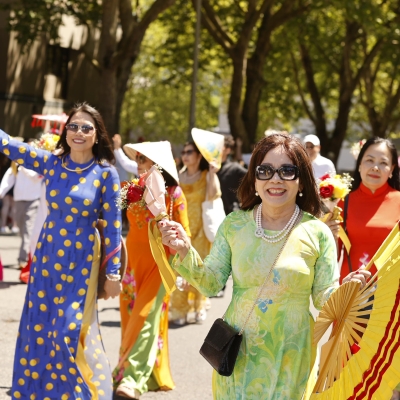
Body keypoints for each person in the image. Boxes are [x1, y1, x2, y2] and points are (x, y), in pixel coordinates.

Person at [158, 132, 369, 399]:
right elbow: (211, 284)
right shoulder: (234, 225)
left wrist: (347, 290)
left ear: (301, 181)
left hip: (291, 357)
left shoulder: (317, 232)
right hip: (237, 354)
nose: (275, 179)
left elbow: (323, 298)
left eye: (287, 171)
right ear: (255, 180)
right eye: (265, 170)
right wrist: (184, 250)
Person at [0, 102, 122, 399]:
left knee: (66, 329)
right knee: (39, 326)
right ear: (65, 131)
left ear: (97, 134)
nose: (78, 132)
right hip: (47, 255)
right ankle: (38, 391)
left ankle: (76, 393)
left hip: (82, 260)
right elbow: (10, 146)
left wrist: (113, 273)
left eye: (86, 128)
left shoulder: (106, 173)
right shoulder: (52, 163)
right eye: (73, 126)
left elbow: (114, 226)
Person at [113, 140, 190, 399]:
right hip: (132, 267)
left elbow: (185, 234)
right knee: (131, 319)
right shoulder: (130, 189)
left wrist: (185, 269)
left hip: (160, 267)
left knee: (145, 318)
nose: (138, 164)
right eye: (137, 159)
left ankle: (132, 379)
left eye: (142, 159)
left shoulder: (174, 193)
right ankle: (140, 373)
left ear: (158, 164)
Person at [168, 141, 221, 325]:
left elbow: (214, 194)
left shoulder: (206, 175)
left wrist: (213, 174)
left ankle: (199, 306)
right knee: (180, 268)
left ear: (199, 156)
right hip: (182, 228)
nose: (185, 155)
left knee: (198, 267)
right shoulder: (178, 176)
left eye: (189, 152)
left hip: (201, 230)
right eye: (183, 152)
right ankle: (180, 310)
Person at [217, 134, 247, 215]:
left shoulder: (234, 168)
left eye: (220, 146)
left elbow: (252, 179)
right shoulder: (209, 168)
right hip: (213, 214)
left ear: (228, 150)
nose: (216, 148)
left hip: (231, 214)